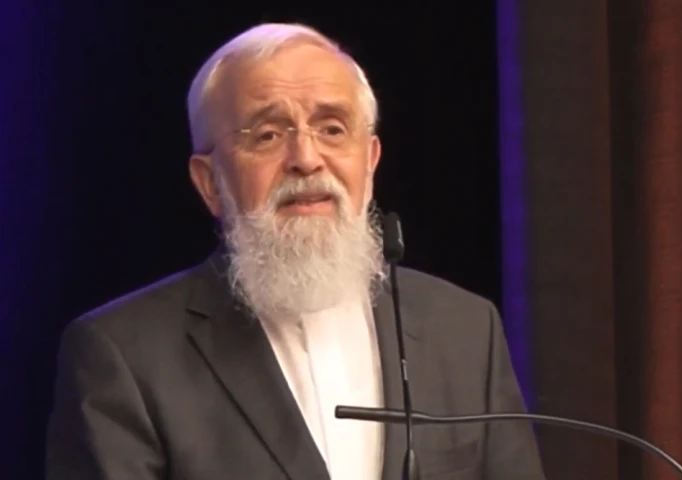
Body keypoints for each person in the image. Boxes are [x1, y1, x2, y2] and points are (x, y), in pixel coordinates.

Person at [46, 22, 546, 480]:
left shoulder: (465, 330)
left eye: (332, 129)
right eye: (267, 135)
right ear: (210, 183)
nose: (306, 159)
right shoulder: (123, 356)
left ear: (370, 162)